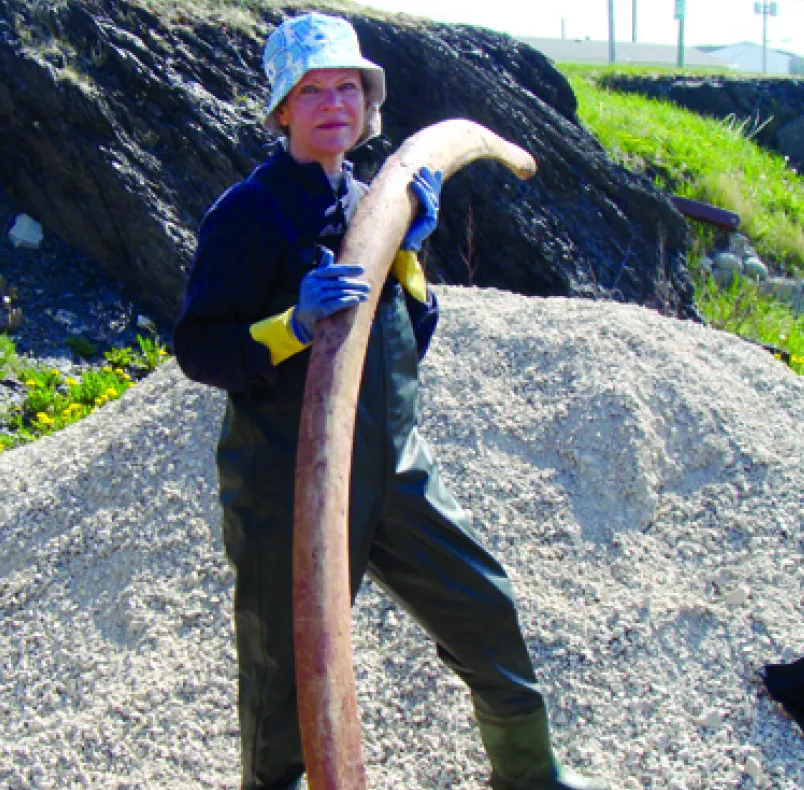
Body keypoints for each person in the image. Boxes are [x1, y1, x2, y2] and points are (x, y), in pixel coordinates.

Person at [173, 12, 606, 790]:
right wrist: (292, 325)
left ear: (369, 104)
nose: (334, 103)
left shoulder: (378, 200)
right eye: (313, 91)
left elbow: (405, 342)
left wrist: (406, 254)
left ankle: (531, 773)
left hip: (397, 467)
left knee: (484, 608)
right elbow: (199, 348)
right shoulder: (250, 210)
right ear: (282, 110)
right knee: (284, 677)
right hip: (288, 483)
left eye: (349, 87)